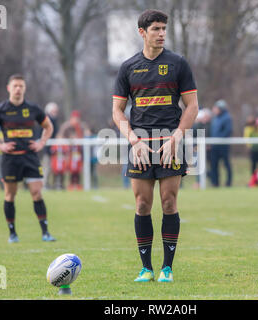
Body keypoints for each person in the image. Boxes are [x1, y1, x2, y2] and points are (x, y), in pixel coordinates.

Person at [112, 9, 198, 283]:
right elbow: (117, 111)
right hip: (140, 145)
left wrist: (177, 137)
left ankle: (167, 269)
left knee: (169, 202)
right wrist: (133, 140)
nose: (161, 34)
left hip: (170, 143)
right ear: (142, 32)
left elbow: (192, 106)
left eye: (164, 29)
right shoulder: (128, 67)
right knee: (142, 204)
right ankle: (146, 268)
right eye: (156, 29)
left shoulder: (178, 63)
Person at [0, 74, 56, 243]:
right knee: (10, 195)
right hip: (10, 159)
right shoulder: (0, 110)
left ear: (24, 88)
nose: (18, 89)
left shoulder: (33, 109)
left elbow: (48, 126)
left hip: (30, 157)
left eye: (21, 86)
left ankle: (45, 233)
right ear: (9, 88)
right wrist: (0, 146)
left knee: (36, 192)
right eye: (15, 86)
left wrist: (42, 142)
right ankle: (12, 234)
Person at [209, 99, 233, 187]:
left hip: (223, 146)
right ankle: (215, 183)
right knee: (214, 165)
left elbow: (227, 131)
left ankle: (228, 183)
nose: (214, 110)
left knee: (226, 164)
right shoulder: (215, 118)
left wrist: (218, 140)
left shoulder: (227, 117)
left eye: (216, 108)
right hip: (215, 146)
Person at [42, 102, 60, 189]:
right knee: (47, 168)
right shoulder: (46, 120)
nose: (55, 113)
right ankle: (44, 184)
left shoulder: (54, 121)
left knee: (55, 168)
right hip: (47, 149)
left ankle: (53, 184)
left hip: (54, 149)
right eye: (54, 111)